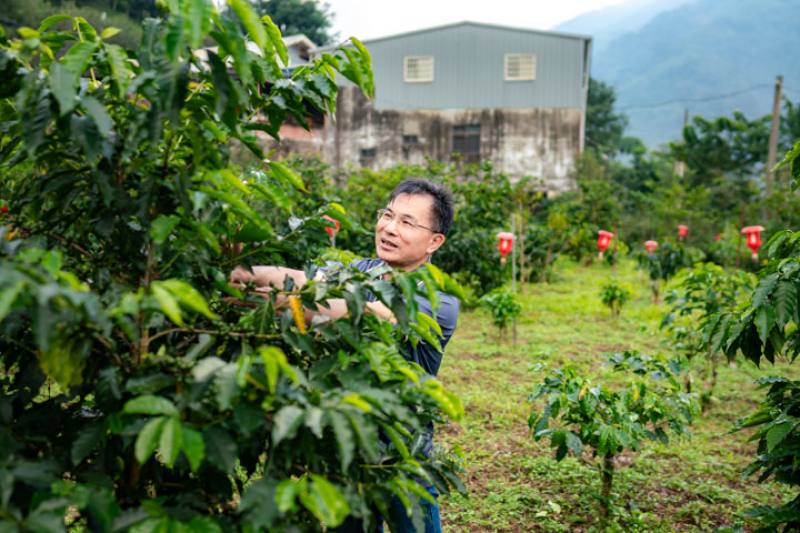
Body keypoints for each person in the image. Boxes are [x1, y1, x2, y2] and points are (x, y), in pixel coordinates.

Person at [230, 179, 458, 532]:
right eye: (388, 215)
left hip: (402, 459)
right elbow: (300, 281)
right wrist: (243, 275)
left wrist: (293, 294)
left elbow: (349, 309)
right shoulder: (360, 271)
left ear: (435, 241)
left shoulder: (440, 303)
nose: (390, 228)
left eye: (407, 222)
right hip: (346, 453)